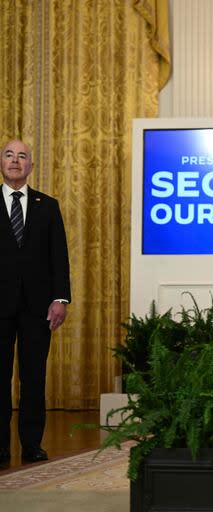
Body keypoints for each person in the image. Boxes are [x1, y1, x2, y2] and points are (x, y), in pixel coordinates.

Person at [0, 139, 71, 465]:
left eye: (22, 156)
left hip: (37, 308)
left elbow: (59, 256)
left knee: (33, 378)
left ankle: (32, 446)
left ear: (30, 166)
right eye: (9, 155)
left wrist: (60, 298)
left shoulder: (48, 205)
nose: (15, 161)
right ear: (2, 163)